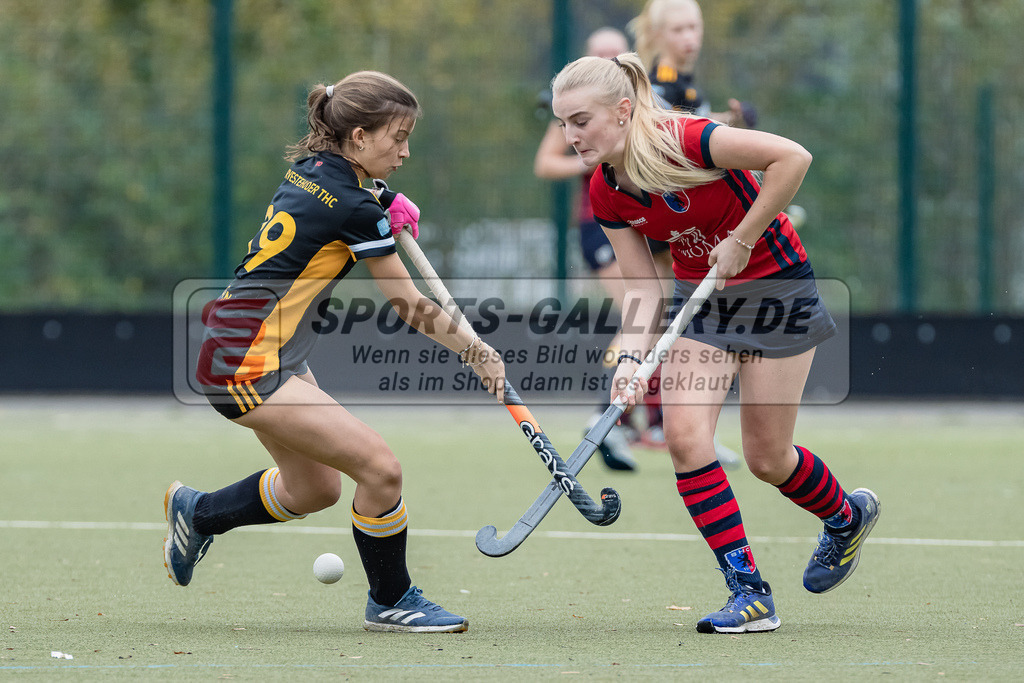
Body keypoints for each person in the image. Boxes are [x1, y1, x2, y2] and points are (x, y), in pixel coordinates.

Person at [549, 53, 880, 634]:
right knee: (683, 436)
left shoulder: (689, 138)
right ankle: (748, 591)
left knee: (767, 460)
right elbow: (643, 290)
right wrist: (630, 359)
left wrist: (743, 238)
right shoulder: (606, 190)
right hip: (702, 306)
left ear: (623, 111)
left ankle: (845, 516)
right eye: (563, 123)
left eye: (581, 121)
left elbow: (791, 158)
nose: (570, 136)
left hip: (777, 294)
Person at [166, 71, 506, 634]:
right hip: (245, 362)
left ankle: (198, 513)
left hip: (252, 346)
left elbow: (350, 203)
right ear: (357, 139)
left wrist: (387, 199)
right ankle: (393, 600)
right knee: (381, 469)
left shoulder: (315, 170)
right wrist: (475, 349)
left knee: (314, 488)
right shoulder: (355, 206)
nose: (404, 150)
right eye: (395, 138)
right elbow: (408, 304)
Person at [534, 27, 643, 471]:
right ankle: (606, 418)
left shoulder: (635, 109)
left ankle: (643, 422)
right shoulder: (577, 114)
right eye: (599, 52)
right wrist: (590, 155)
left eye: (615, 51)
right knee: (644, 316)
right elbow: (545, 164)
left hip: (642, 221)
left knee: (657, 317)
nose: (608, 57)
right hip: (599, 223)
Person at [630, 0, 757, 128]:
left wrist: (732, 118)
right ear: (658, 35)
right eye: (677, 30)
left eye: (693, 27)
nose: (688, 37)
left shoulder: (683, 81)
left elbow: (697, 118)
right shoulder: (661, 87)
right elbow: (684, 132)